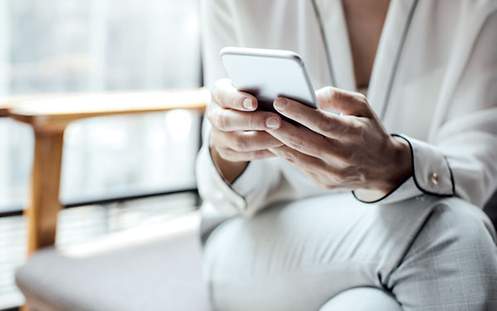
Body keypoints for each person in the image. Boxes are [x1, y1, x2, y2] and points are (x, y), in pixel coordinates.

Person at [196, 0, 497, 310]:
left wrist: (395, 164)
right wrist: (230, 148)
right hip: (258, 239)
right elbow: (226, 192)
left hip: (400, 240)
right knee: (456, 238)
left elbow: (476, 162)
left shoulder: (475, 8)